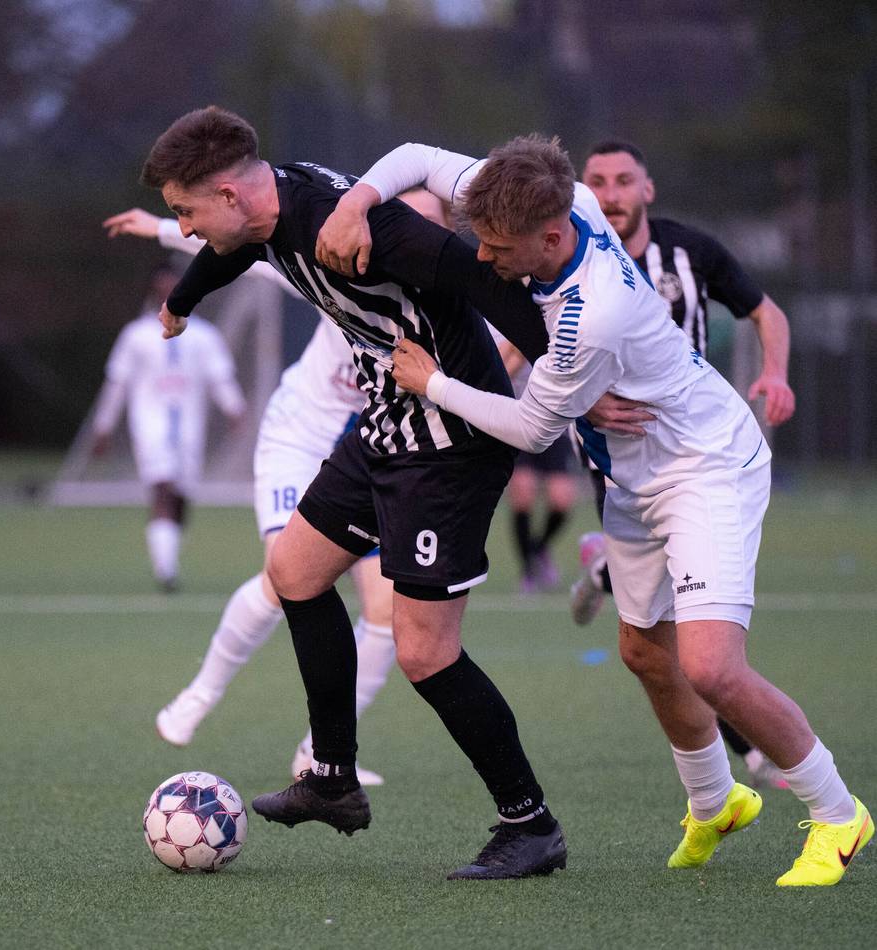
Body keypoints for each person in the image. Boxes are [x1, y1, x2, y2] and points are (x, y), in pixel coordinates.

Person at [320, 136, 871, 887]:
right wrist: (355, 201)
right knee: (645, 653)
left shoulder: (590, 318)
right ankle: (716, 801)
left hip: (703, 468)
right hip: (634, 482)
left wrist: (432, 384)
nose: (482, 259)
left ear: (548, 239)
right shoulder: (552, 198)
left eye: (496, 247)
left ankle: (840, 816)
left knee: (710, 666)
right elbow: (416, 154)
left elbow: (528, 428)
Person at [136, 106, 566, 880]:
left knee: (425, 654)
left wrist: (572, 377)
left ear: (230, 196)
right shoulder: (269, 209)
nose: (187, 230)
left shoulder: (361, 230)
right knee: (294, 574)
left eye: (187, 213)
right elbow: (236, 254)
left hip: (450, 448)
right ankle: (332, 777)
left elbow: (475, 279)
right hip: (386, 428)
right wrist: (185, 298)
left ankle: (530, 824)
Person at [570, 140, 796, 791]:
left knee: (696, 633)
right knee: (659, 640)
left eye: (622, 180)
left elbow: (765, 311)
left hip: (697, 458)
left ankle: (753, 755)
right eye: (597, 181)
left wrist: (776, 373)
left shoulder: (690, 252)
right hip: (618, 466)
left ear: (648, 188)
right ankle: (746, 761)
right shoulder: (567, 254)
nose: (610, 193)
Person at [91, 265, 245, 592]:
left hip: (190, 427)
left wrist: (236, 411)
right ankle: (166, 571)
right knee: (162, 487)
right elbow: (117, 383)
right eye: (162, 288)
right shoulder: (136, 335)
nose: (168, 294)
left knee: (180, 496)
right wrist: (103, 425)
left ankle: (168, 556)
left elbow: (221, 379)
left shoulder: (204, 336)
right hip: (150, 424)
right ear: (153, 292)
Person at [494, 336, 579, 593]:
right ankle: (528, 570)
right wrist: (516, 355)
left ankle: (538, 550)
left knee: (562, 499)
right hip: (517, 414)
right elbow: (493, 375)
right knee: (523, 492)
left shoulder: (557, 316)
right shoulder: (494, 322)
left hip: (555, 419)